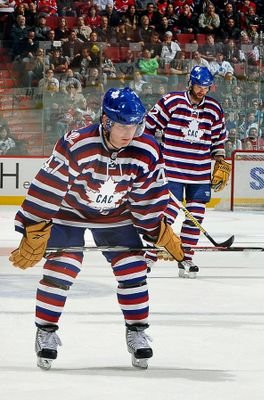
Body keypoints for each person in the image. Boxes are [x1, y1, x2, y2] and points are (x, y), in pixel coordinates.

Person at [9, 87, 184, 370]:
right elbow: (48, 188)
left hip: (115, 216)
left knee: (133, 267)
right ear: (106, 121)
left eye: (135, 124)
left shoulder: (147, 149)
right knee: (62, 266)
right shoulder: (77, 144)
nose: (130, 132)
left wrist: (158, 232)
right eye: (123, 125)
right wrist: (35, 228)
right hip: (70, 213)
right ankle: (46, 331)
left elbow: (147, 196)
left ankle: (137, 331)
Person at [144, 66, 230, 278]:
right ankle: (149, 256)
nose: (202, 90)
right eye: (199, 86)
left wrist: (220, 161)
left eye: (206, 87)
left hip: (199, 173)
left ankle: (186, 258)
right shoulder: (171, 101)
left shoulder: (214, 109)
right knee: (167, 214)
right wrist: (150, 154)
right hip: (171, 169)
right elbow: (148, 127)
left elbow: (219, 140)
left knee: (196, 217)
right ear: (190, 83)